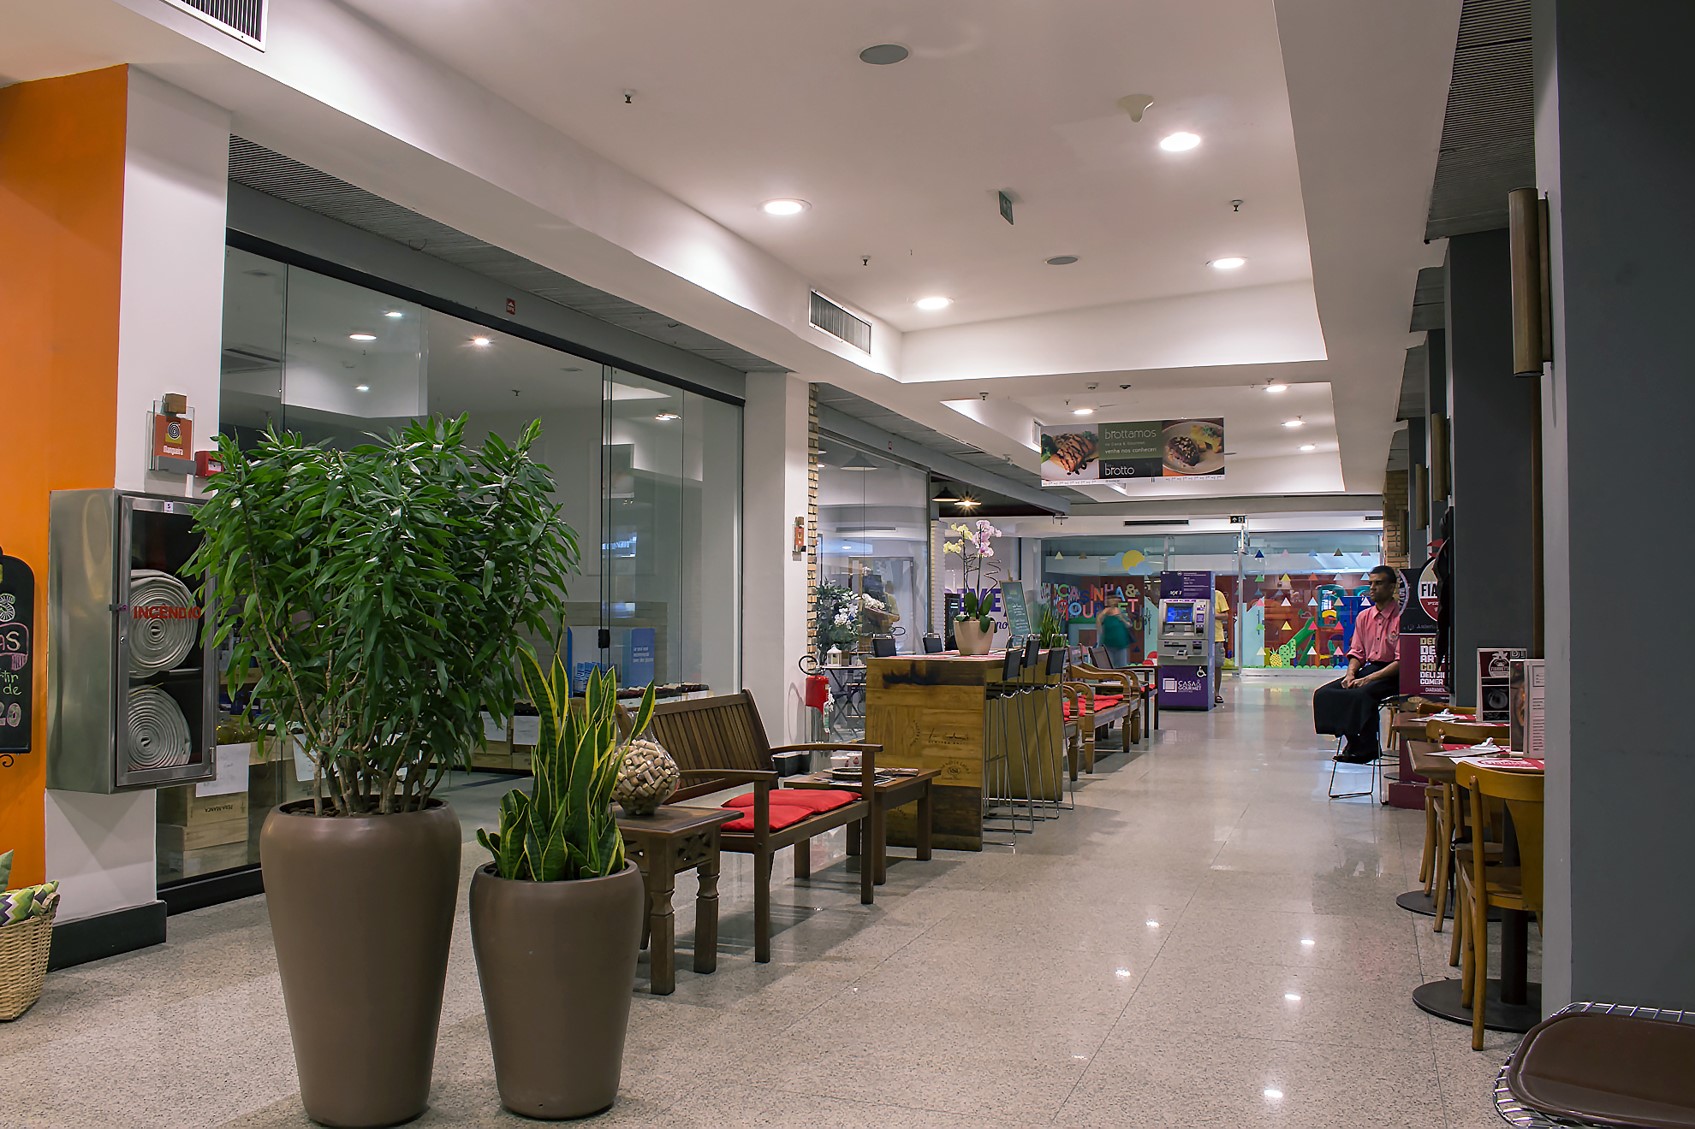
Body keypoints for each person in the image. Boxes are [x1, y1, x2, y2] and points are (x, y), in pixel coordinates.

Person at [1312, 565, 1401, 762]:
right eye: (1371, 583)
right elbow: (1357, 652)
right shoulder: (1364, 617)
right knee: (1324, 694)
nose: (1373, 588)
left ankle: (1368, 747)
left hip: (1393, 673)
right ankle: (1353, 741)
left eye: (1378, 583)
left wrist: (1367, 679)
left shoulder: (1401, 617)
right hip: (1369, 668)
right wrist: (1351, 674)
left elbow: (1400, 661)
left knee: (1361, 694)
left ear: (1391, 587)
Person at [1097, 595, 1132, 668]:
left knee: (1122, 667)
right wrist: (1103, 613)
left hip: (1121, 645)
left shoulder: (1121, 612)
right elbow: (1098, 625)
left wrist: (1121, 618)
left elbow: (1129, 625)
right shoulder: (1104, 614)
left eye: (1114, 599)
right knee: (1108, 667)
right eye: (1110, 599)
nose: (1113, 601)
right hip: (1108, 645)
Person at [1212, 588, 1229, 705]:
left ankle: (1216, 693)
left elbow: (1225, 615)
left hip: (1216, 637)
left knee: (1217, 665)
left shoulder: (1218, 594)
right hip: (1198, 637)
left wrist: (1212, 615)